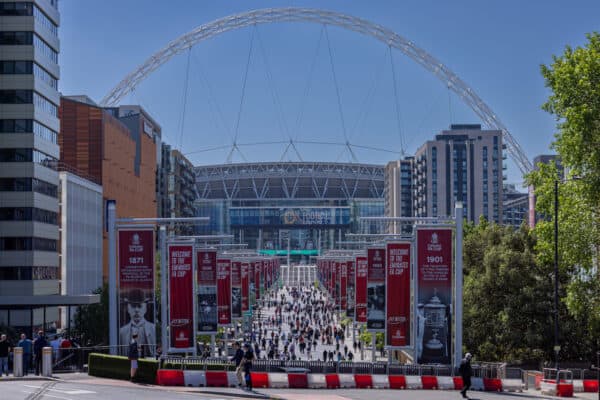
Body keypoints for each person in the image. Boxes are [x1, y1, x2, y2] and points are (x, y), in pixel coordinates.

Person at [119, 289, 156, 355]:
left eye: (140, 306)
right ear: (128, 308)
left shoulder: (153, 329)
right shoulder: (122, 332)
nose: (136, 310)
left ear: (145, 308)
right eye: (133, 306)